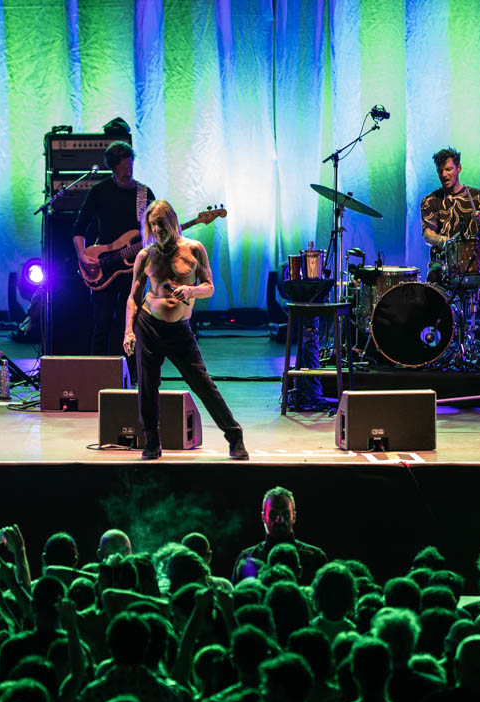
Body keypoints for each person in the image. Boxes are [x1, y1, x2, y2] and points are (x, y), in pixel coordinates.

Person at [124, 199, 248, 460]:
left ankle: (234, 436)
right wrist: (129, 331)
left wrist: (191, 290)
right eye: (152, 225)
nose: (157, 229)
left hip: (179, 329)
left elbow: (209, 286)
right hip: (148, 325)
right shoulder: (146, 255)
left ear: (172, 221)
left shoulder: (194, 249)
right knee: (147, 385)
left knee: (202, 383)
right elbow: (133, 297)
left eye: (161, 223)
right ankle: (152, 441)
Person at [420, 147, 480, 359]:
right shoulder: (430, 201)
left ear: (458, 168)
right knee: (431, 283)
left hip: (476, 264)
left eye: (449, 169)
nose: (444, 174)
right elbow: (427, 235)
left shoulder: (476, 196)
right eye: (440, 171)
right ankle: (436, 348)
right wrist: (445, 241)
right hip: (444, 264)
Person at [73, 141, 155, 358]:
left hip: (135, 269)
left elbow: (156, 231)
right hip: (104, 267)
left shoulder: (144, 195)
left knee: (131, 324)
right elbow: (79, 228)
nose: (128, 173)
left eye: (131, 168)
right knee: (102, 323)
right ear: (112, 169)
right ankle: (98, 374)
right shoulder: (100, 191)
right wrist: (82, 256)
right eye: (123, 170)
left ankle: (133, 376)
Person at [230, 487, 325, 583]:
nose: (280, 520)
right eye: (273, 514)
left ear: (294, 517)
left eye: (286, 514)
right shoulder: (247, 558)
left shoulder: (315, 558)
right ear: (263, 517)